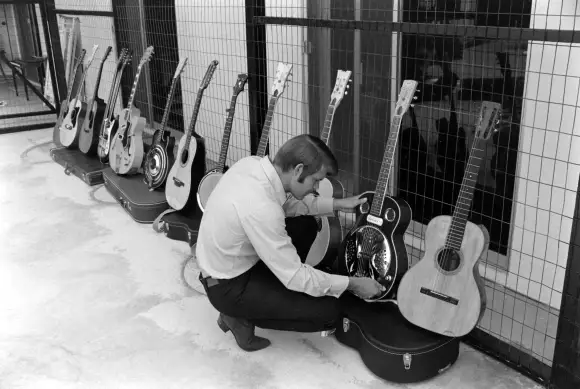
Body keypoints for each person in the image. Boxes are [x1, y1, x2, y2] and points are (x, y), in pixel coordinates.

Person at [195, 134, 385, 352]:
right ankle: (237, 315)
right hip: (228, 286)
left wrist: (338, 204)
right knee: (329, 311)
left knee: (306, 225)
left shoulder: (252, 165)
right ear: (297, 170)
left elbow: (290, 206)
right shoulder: (261, 207)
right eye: (316, 180)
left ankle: (268, 294)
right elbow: (296, 276)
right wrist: (353, 283)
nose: (316, 187)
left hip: (232, 263)